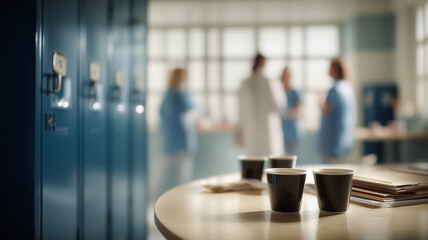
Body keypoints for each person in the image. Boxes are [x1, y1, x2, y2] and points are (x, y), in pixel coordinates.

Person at [153, 68, 197, 198]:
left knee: (166, 167)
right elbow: (192, 108)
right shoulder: (178, 94)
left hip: (171, 136)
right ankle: (183, 196)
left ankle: (151, 192)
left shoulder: (168, 94)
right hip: (180, 135)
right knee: (183, 171)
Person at [236, 53, 286, 156]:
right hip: (268, 132)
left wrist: (238, 132)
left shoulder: (245, 83)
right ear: (264, 64)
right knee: (270, 163)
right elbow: (279, 105)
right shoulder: (270, 82)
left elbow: (240, 110)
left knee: (253, 162)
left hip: (250, 132)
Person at [319, 59, 356, 162]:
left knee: (330, 170)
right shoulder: (347, 88)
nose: (328, 70)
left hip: (332, 139)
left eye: (330, 67)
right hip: (343, 138)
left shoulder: (335, 89)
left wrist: (319, 101)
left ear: (335, 69)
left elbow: (326, 110)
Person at [280, 67, 302, 155]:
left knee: (292, 157)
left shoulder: (295, 92)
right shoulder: (279, 92)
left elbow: (299, 110)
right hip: (281, 131)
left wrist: (286, 115)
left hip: (292, 131)